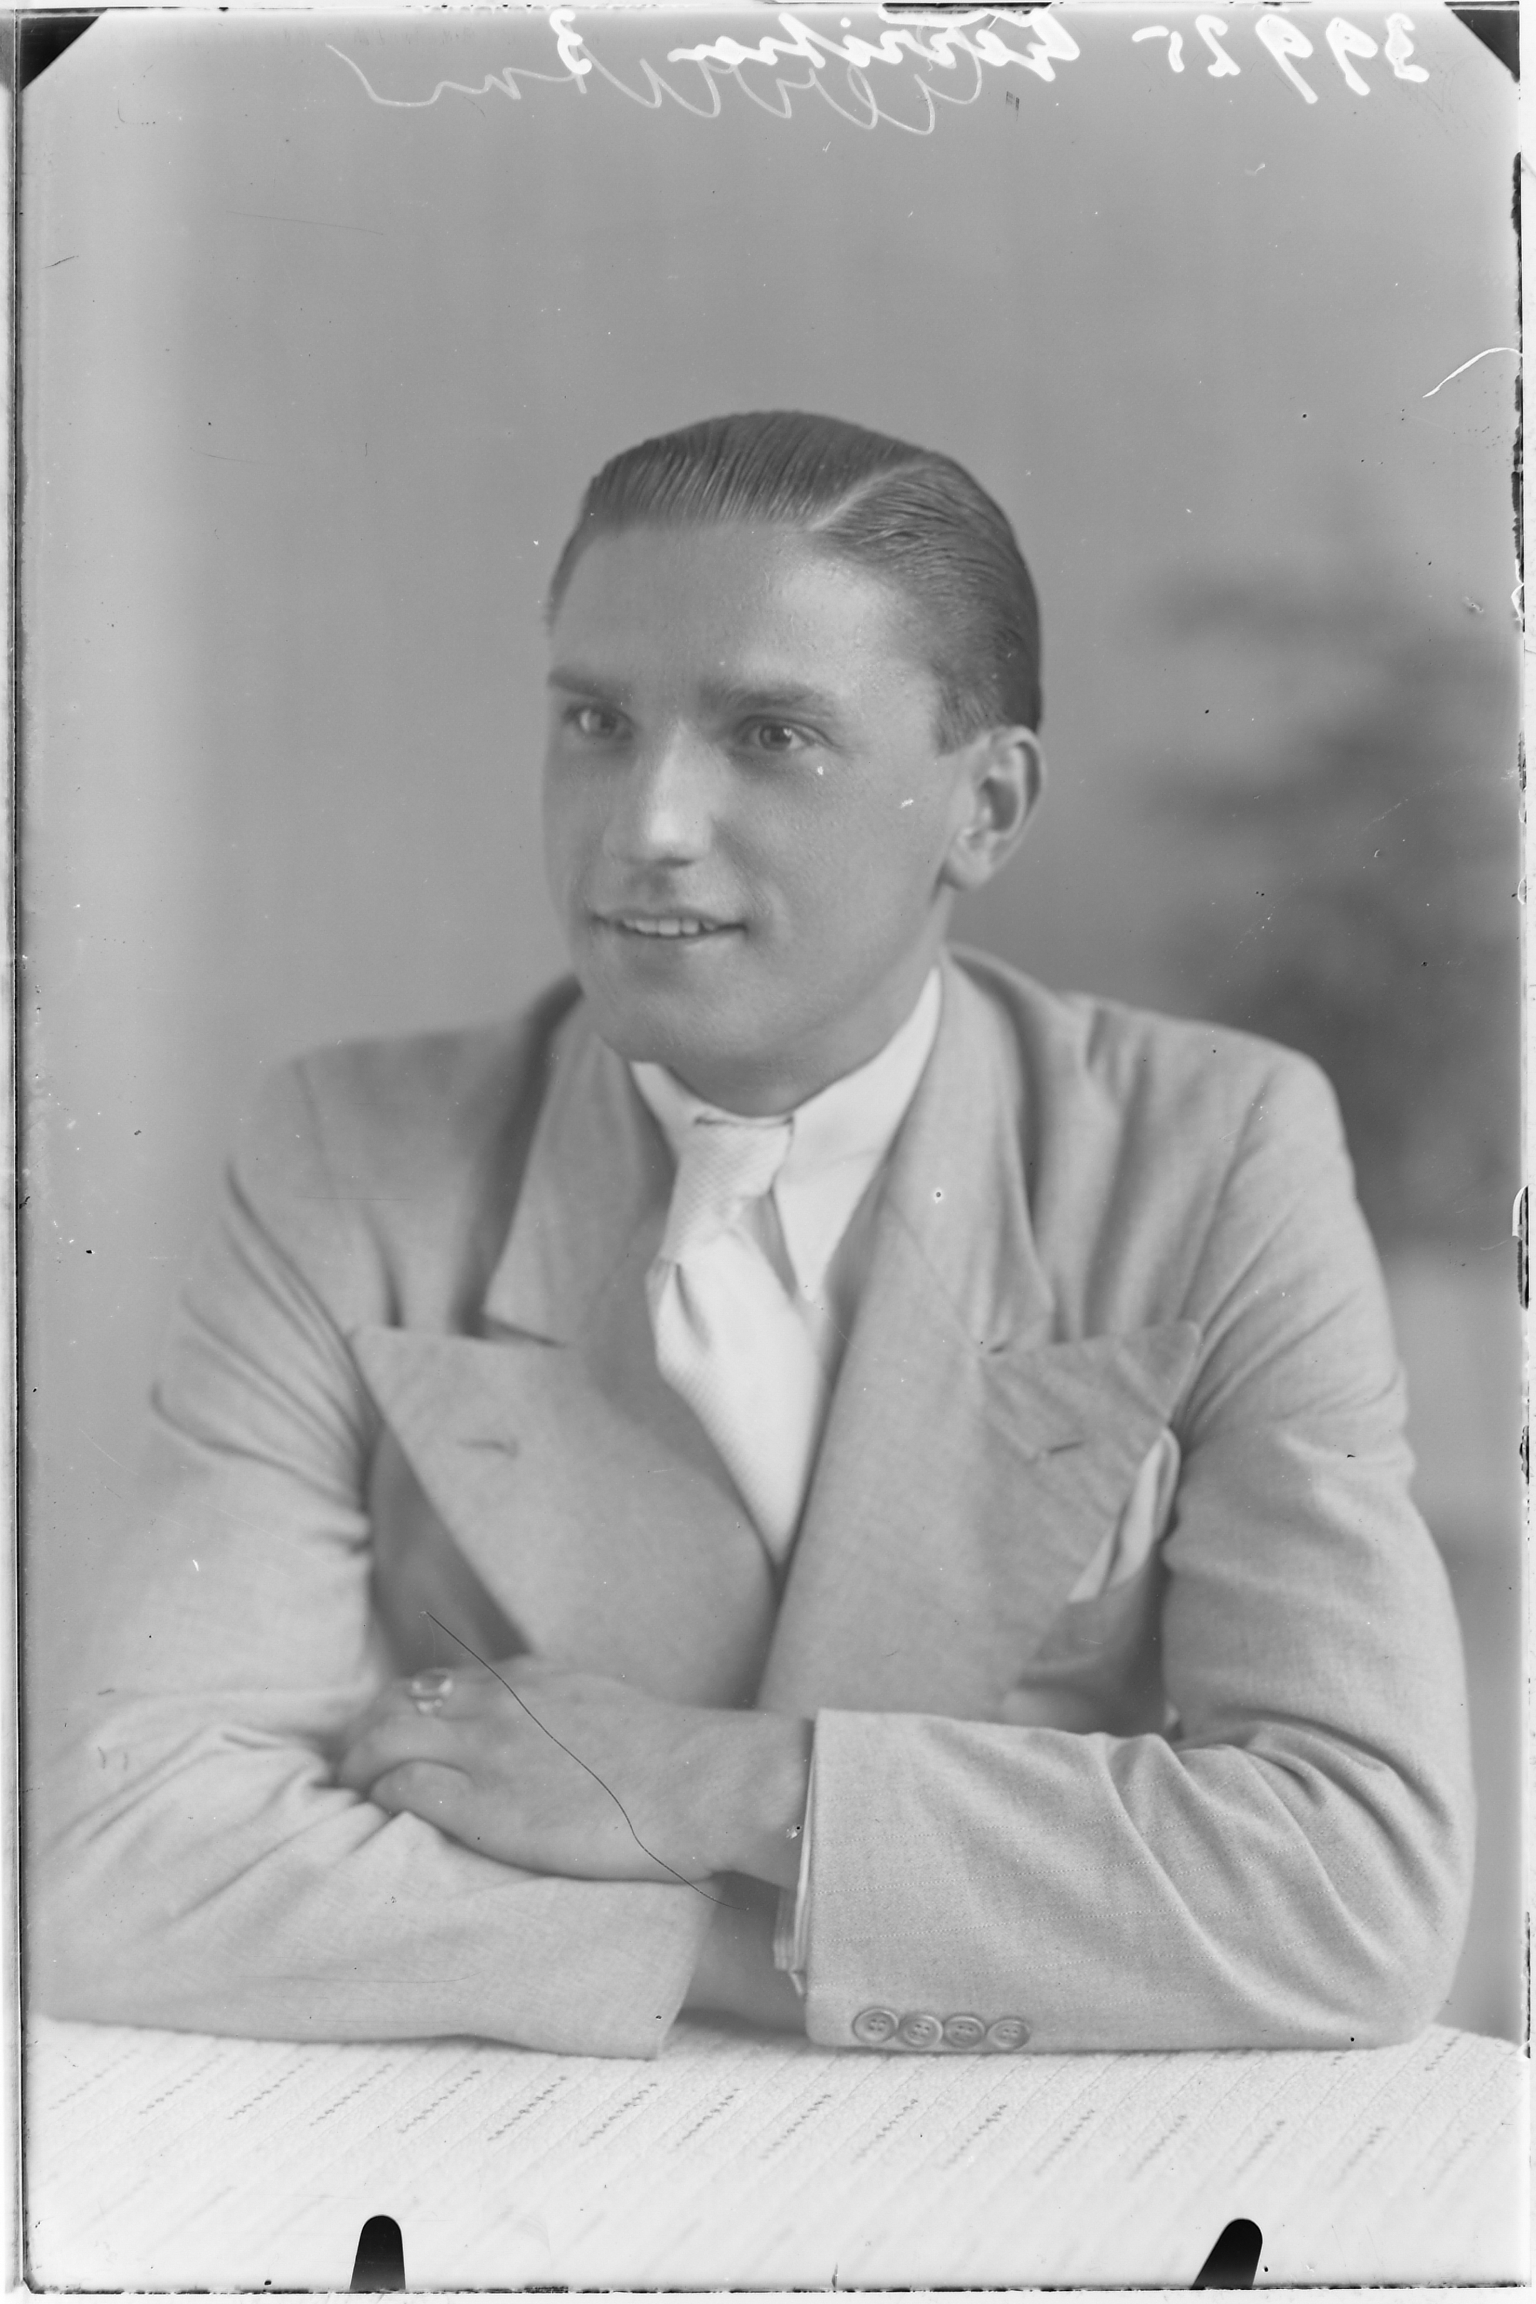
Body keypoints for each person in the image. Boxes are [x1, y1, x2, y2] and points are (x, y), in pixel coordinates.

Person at [37, 411, 1472, 2060]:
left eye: (771, 734)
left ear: (985, 807)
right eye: (596, 722)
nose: (646, 822)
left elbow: (1354, 1892)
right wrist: (758, 1941)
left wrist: (701, 1780)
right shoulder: (354, 1159)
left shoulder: (1211, 1154)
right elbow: (122, 1866)